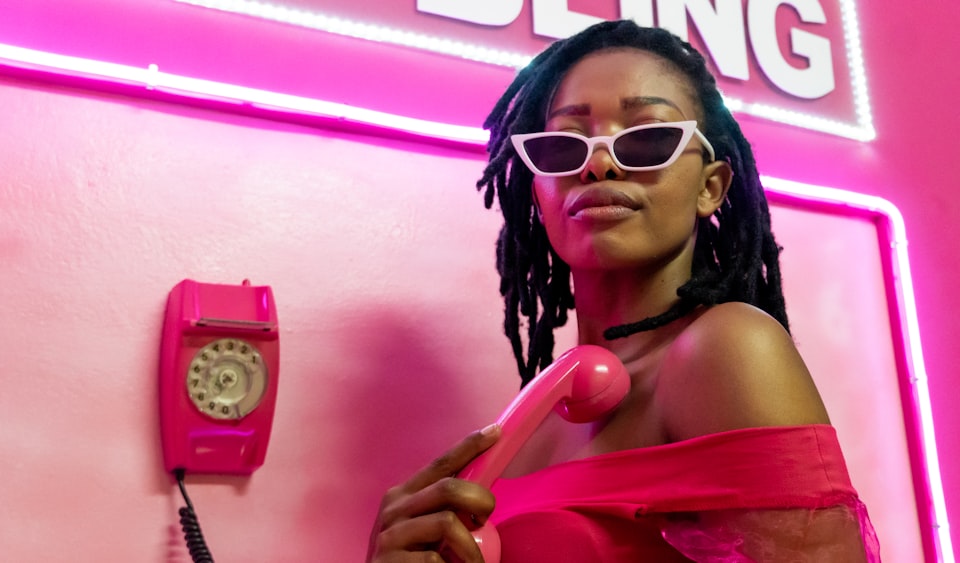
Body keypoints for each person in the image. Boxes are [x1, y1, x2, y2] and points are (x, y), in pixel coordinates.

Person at [366, 19, 879, 562]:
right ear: (539, 194)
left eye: (649, 139)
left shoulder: (727, 347)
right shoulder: (531, 412)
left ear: (710, 188)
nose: (598, 163)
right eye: (563, 148)